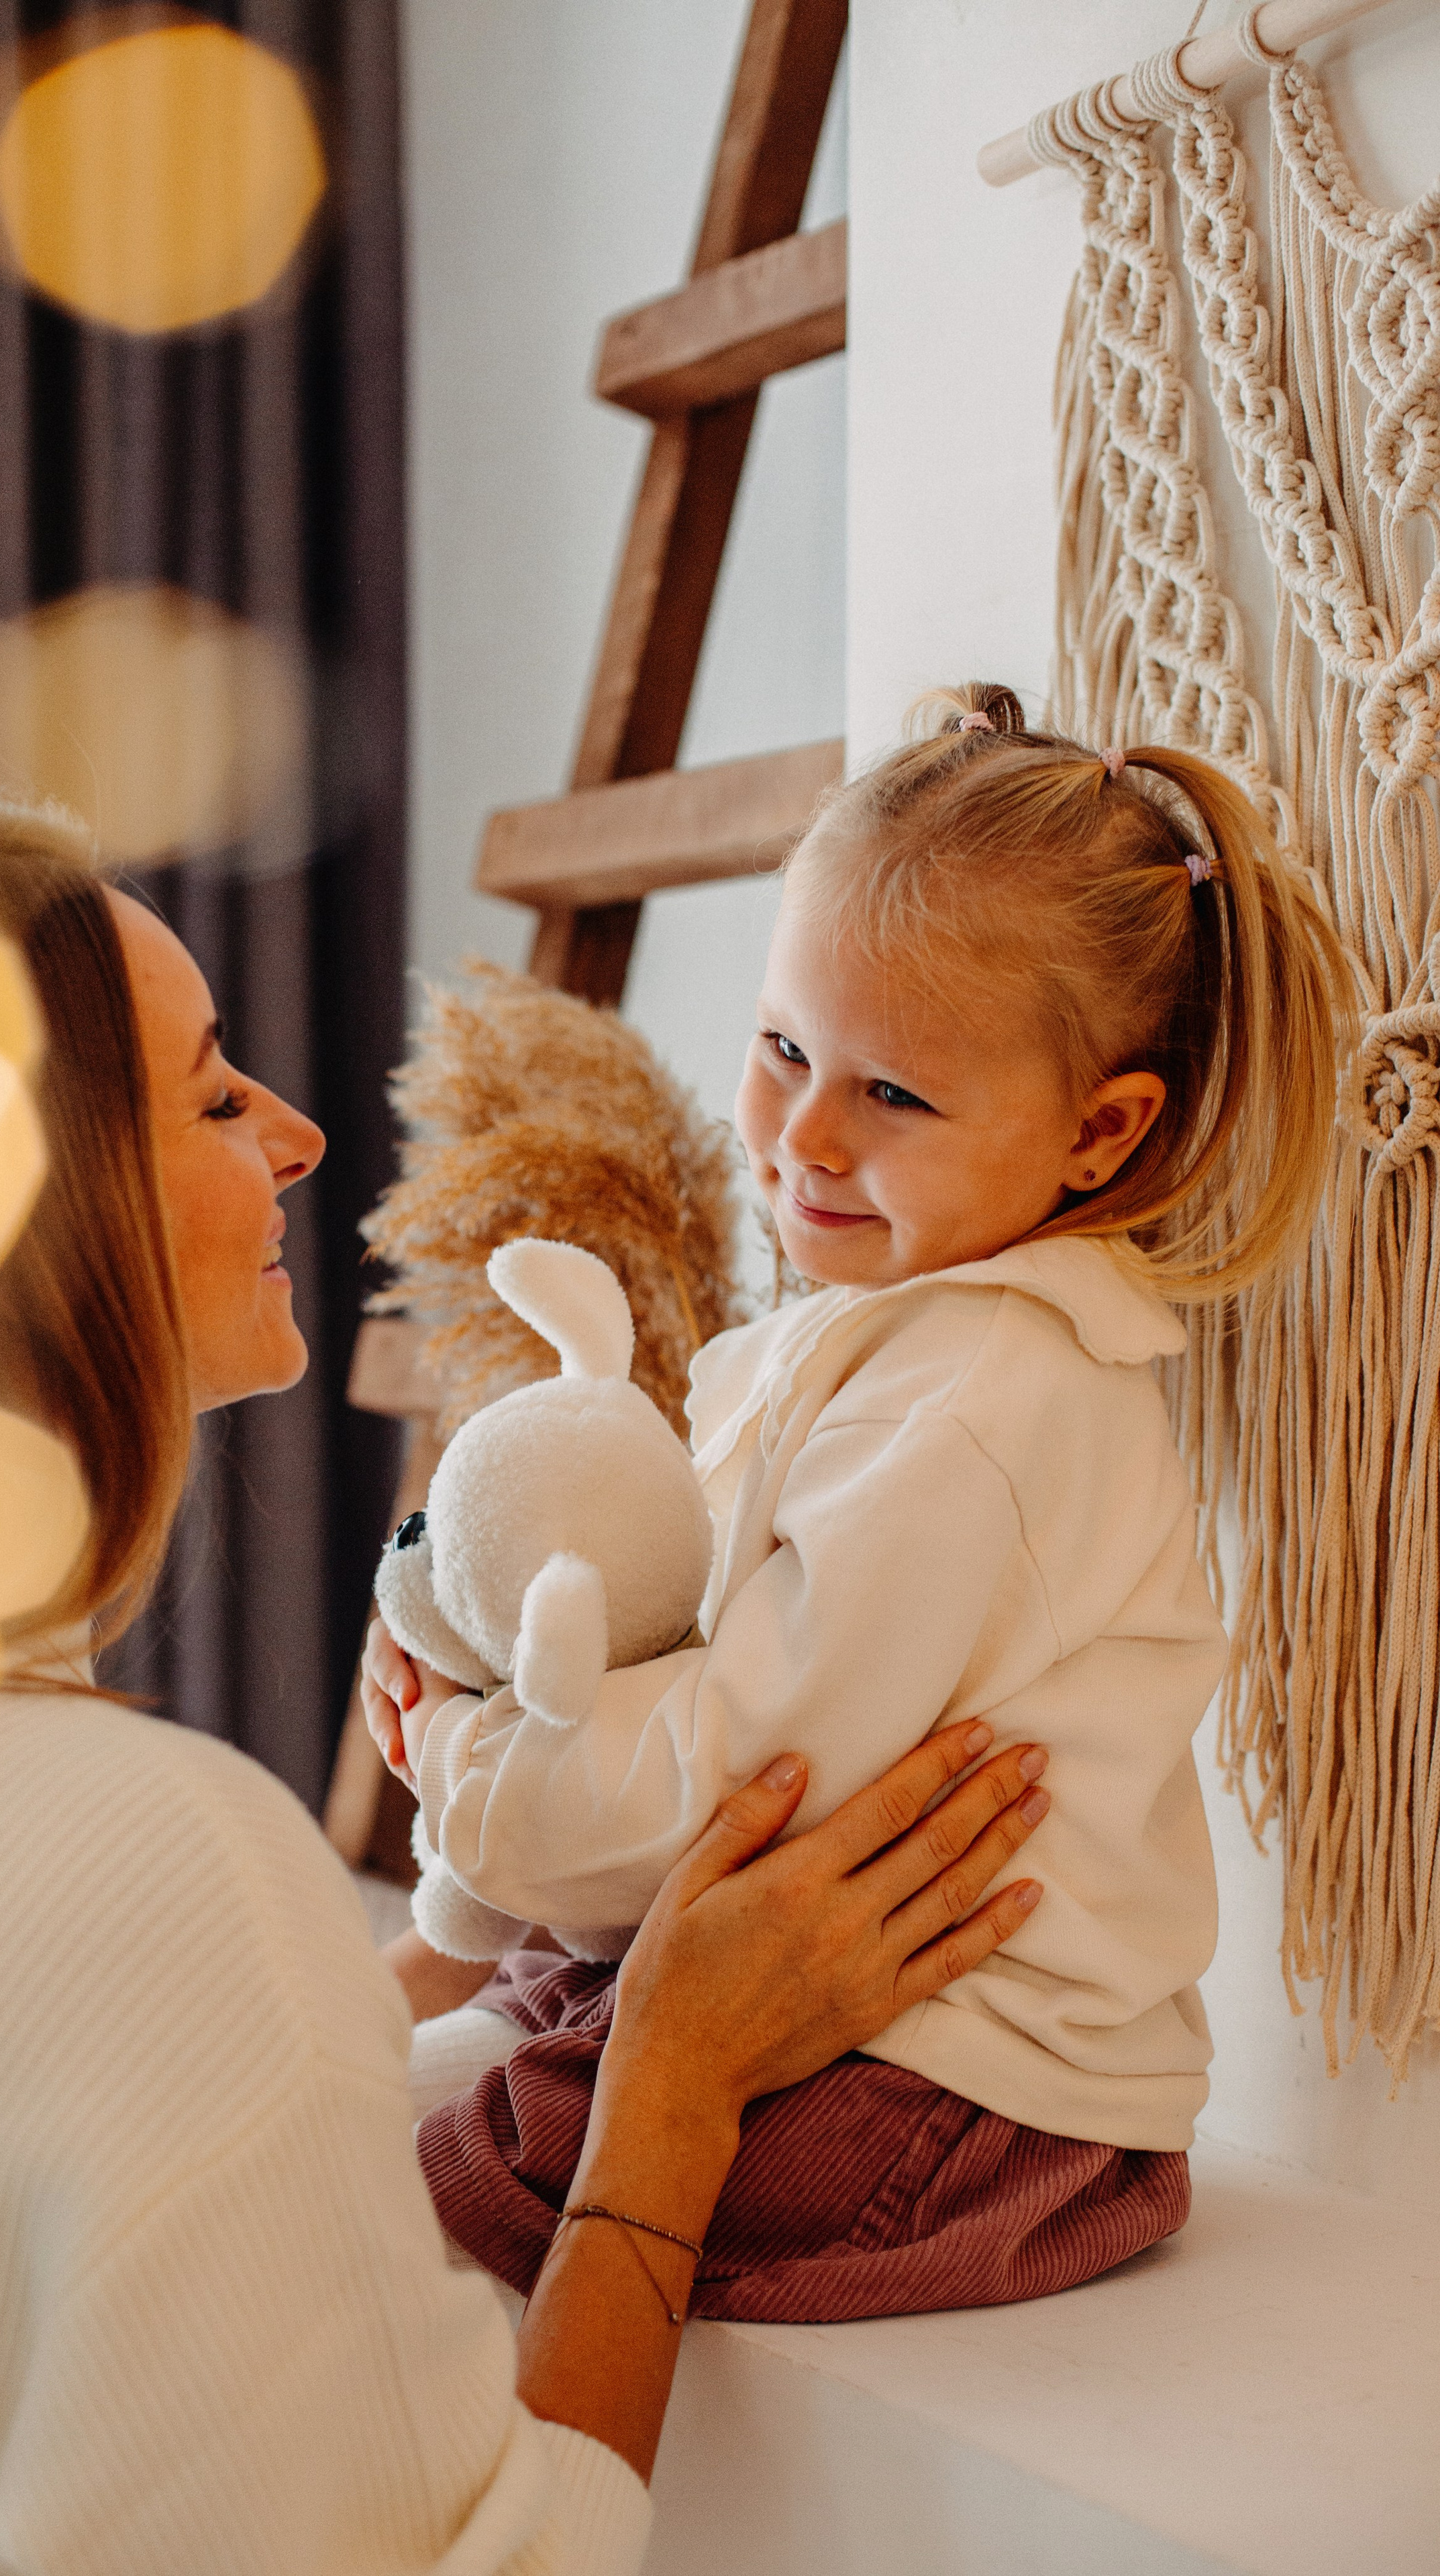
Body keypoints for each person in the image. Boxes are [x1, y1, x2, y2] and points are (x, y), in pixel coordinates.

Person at [0, 788, 1049, 2574]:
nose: (297, 1132)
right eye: (211, 1097)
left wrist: (460, 1937)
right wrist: (671, 2088)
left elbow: (81, 2133)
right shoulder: (156, 1855)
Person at [367, 682, 1356, 2327]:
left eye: (892, 1096)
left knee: (419, 2200)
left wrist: (469, 1762)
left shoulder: (976, 1399)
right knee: (446, 2046)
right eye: (782, 1050)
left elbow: (747, 1779)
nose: (805, 1138)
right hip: (845, 2023)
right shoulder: (887, 1335)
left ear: (1098, 1133)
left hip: (956, 2095)